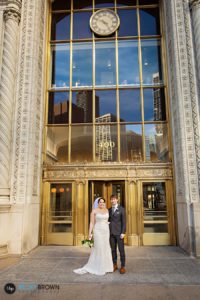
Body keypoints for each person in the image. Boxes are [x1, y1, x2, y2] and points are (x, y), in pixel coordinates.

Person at [73, 197, 113, 276]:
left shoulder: (107, 210)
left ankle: (106, 267)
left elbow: (108, 220)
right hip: (97, 230)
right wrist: (89, 233)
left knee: (106, 247)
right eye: (100, 202)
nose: (101, 203)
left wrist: (107, 223)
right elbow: (91, 223)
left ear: (104, 203)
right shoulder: (94, 211)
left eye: (103, 202)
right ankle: (98, 267)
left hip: (106, 231)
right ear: (97, 203)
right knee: (99, 247)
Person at [109, 194, 126, 274]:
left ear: (117, 200)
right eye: (111, 199)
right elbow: (108, 220)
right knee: (113, 250)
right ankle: (114, 264)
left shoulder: (122, 209)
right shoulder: (109, 210)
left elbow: (124, 222)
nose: (113, 201)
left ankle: (123, 266)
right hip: (111, 233)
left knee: (121, 250)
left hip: (119, 234)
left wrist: (123, 232)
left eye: (114, 199)